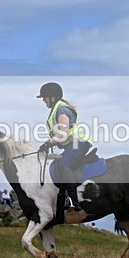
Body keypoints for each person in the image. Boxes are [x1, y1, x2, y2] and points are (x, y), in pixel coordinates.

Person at [37, 82, 92, 211]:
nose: (44, 100)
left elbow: (63, 134)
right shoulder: (56, 109)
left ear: (53, 97)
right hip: (71, 145)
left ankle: (74, 201)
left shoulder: (62, 110)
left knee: (64, 165)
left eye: (45, 97)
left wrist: (48, 143)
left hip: (79, 143)